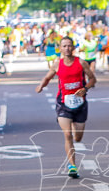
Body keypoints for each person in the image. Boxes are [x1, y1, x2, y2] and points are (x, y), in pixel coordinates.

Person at [35, 36, 97, 178]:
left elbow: (93, 79)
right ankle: (72, 166)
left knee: (78, 138)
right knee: (67, 135)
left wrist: (85, 89)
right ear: (60, 48)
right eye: (64, 46)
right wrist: (41, 86)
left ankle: (76, 130)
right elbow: (47, 77)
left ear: (73, 47)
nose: (67, 48)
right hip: (63, 104)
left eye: (69, 46)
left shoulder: (81, 63)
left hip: (80, 104)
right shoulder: (57, 64)